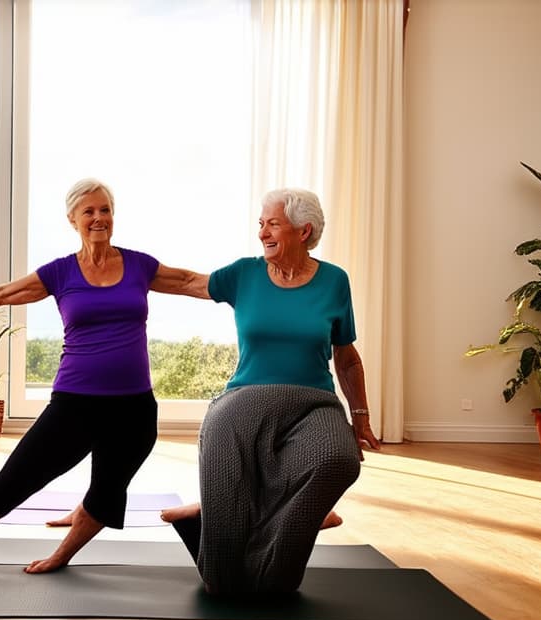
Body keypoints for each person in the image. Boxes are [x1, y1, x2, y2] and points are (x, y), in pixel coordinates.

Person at [0, 177, 195, 574]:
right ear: (72, 219)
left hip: (134, 407)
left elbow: (192, 282)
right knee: (17, 478)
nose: (98, 217)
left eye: (105, 209)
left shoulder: (140, 265)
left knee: (108, 491)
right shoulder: (60, 273)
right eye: (88, 211)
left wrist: (256, 280)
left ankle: (62, 555)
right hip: (75, 404)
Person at [150, 187, 381, 596]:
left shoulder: (333, 281)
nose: (262, 233)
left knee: (339, 460)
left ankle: (270, 557)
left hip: (314, 402)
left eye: (272, 223)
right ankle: (213, 528)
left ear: (303, 230)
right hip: (245, 397)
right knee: (222, 584)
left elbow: (345, 357)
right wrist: (122, 269)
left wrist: (359, 416)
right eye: (261, 224)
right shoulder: (245, 274)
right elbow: (187, 281)